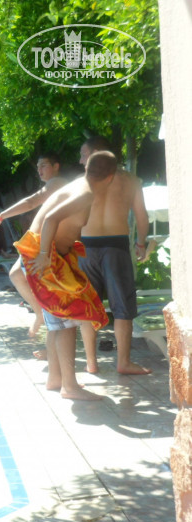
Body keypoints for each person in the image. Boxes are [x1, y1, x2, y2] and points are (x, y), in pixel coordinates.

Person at [18, 151, 118, 400]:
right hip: (44, 258)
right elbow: (51, 219)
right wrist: (44, 255)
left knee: (57, 324)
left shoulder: (78, 185)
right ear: (110, 177)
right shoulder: (85, 193)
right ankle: (70, 387)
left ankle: (56, 378)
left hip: (46, 257)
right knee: (68, 321)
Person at [77, 136, 151, 375]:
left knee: (89, 307)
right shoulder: (131, 180)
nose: (81, 160)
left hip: (86, 247)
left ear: (97, 152)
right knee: (122, 307)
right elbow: (141, 216)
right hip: (116, 247)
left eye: (84, 154)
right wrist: (140, 244)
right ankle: (123, 362)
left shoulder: (83, 181)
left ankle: (91, 362)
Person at [0, 152, 68, 341]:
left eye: (44, 165)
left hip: (45, 244)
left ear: (56, 166)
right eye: (37, 166)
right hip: (41, 243)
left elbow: (31, 202)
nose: (39, 170)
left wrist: (1, 216)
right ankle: (41, 317)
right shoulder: (55, 184)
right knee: (16, 275)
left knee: (47, 293)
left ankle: (50, 333)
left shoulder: (57, 183)